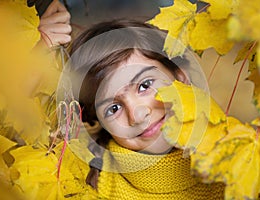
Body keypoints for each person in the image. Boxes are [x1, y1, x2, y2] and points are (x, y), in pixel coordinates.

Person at [64, 19, 225, 199]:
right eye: (114, 108)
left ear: (181, 76)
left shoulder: (242, 159)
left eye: (144, 85)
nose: (137, 116)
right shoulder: (88, 183)